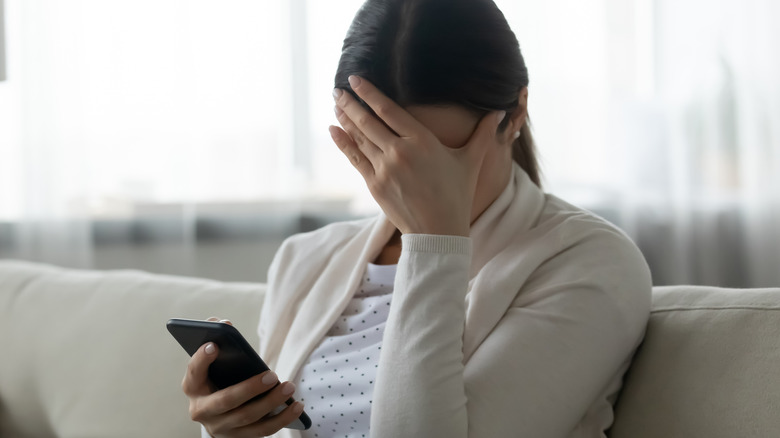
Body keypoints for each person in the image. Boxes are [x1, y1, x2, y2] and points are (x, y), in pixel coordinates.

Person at [181, 0, 652, 437]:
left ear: (515, 115)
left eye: (442, 155)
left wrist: (433, 243)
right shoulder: (306, 258)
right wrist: (231, 428)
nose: (417, 178)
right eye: (387, 148)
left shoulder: (592, 262)